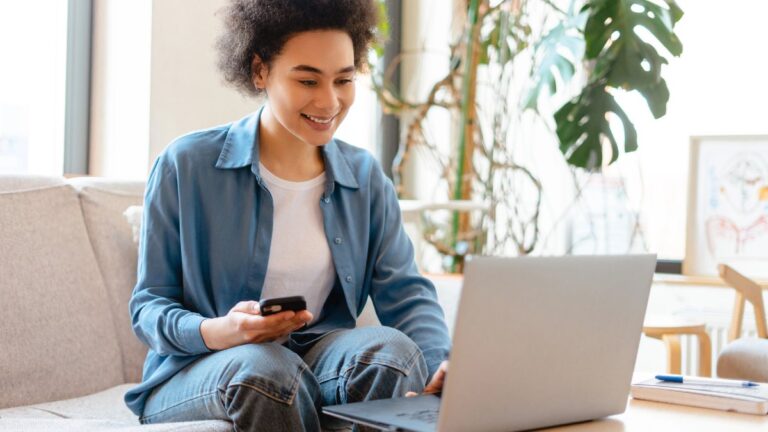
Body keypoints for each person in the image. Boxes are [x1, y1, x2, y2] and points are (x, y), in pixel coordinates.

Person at [123, 1, 451, 430]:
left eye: (344, 80)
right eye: (308, 80)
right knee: (267, 371)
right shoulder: (186, 165)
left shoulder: (365, 177)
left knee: (392, 352)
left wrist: (441, 363)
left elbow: (406, 293)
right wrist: (223, 330)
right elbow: (149, 307)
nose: (329, 100)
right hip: (200, 368)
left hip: (316, 355)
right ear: (260, 71)